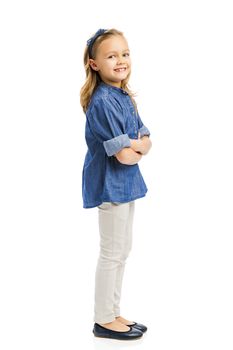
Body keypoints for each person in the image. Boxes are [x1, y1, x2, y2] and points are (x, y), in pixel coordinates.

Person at [80, 28, 152, 340]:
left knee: (122, 250)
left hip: (126, 186)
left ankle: (113, 311)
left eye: (124, 53)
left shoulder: (123, 96)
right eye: (111, 55)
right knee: (111, 252)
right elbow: (124, 155)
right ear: (95, 64)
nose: (120, 60)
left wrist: (137, 144)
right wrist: (136, 146)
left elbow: (146, 140)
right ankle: (103, 319)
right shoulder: (102, 102)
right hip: (111, 186)